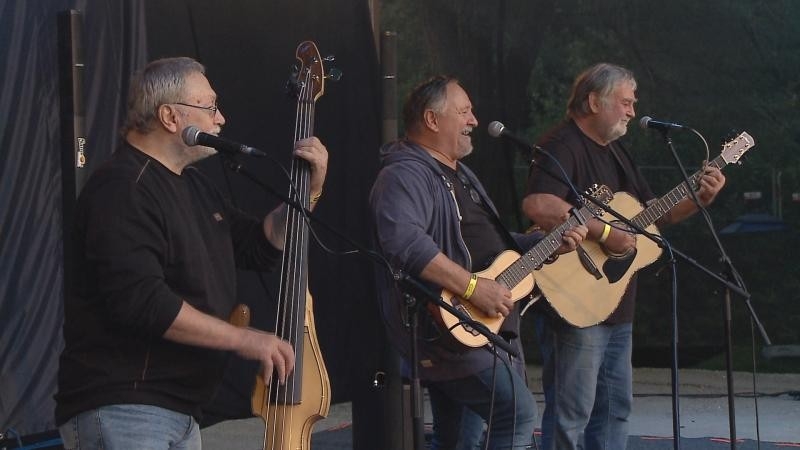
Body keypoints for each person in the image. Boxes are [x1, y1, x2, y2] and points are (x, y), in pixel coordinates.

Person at [54, 57, 329, 450]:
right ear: (169, 116)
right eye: (210, 106)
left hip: (178, 410)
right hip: (127, 407)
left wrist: (308, 192)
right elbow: (145, 304)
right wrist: (243, 339)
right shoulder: (122, 189)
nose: (221, 119)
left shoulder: (194, 187)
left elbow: (259, 245)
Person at [370, 75, 587, 450]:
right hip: (448, 332)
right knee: (517, 414)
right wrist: (472, 288)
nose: (473, 120)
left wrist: (545, 243)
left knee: (458, 441)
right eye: (464, 111)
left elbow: (494, 248)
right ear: (433, 120)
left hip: (476, 329)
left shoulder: (460, 175)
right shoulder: (404, 174)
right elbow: (404, 243)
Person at [521, 62, 726, 450]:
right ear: (594, 101)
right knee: (572, 413)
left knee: (615, 411)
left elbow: (654, 215)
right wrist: (606, 232)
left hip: (616, 302)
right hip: (574, 302)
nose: (633, 111)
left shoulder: (617, 153)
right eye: (626, 102)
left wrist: (699, 199)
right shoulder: (561, 145)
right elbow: (539, 203)